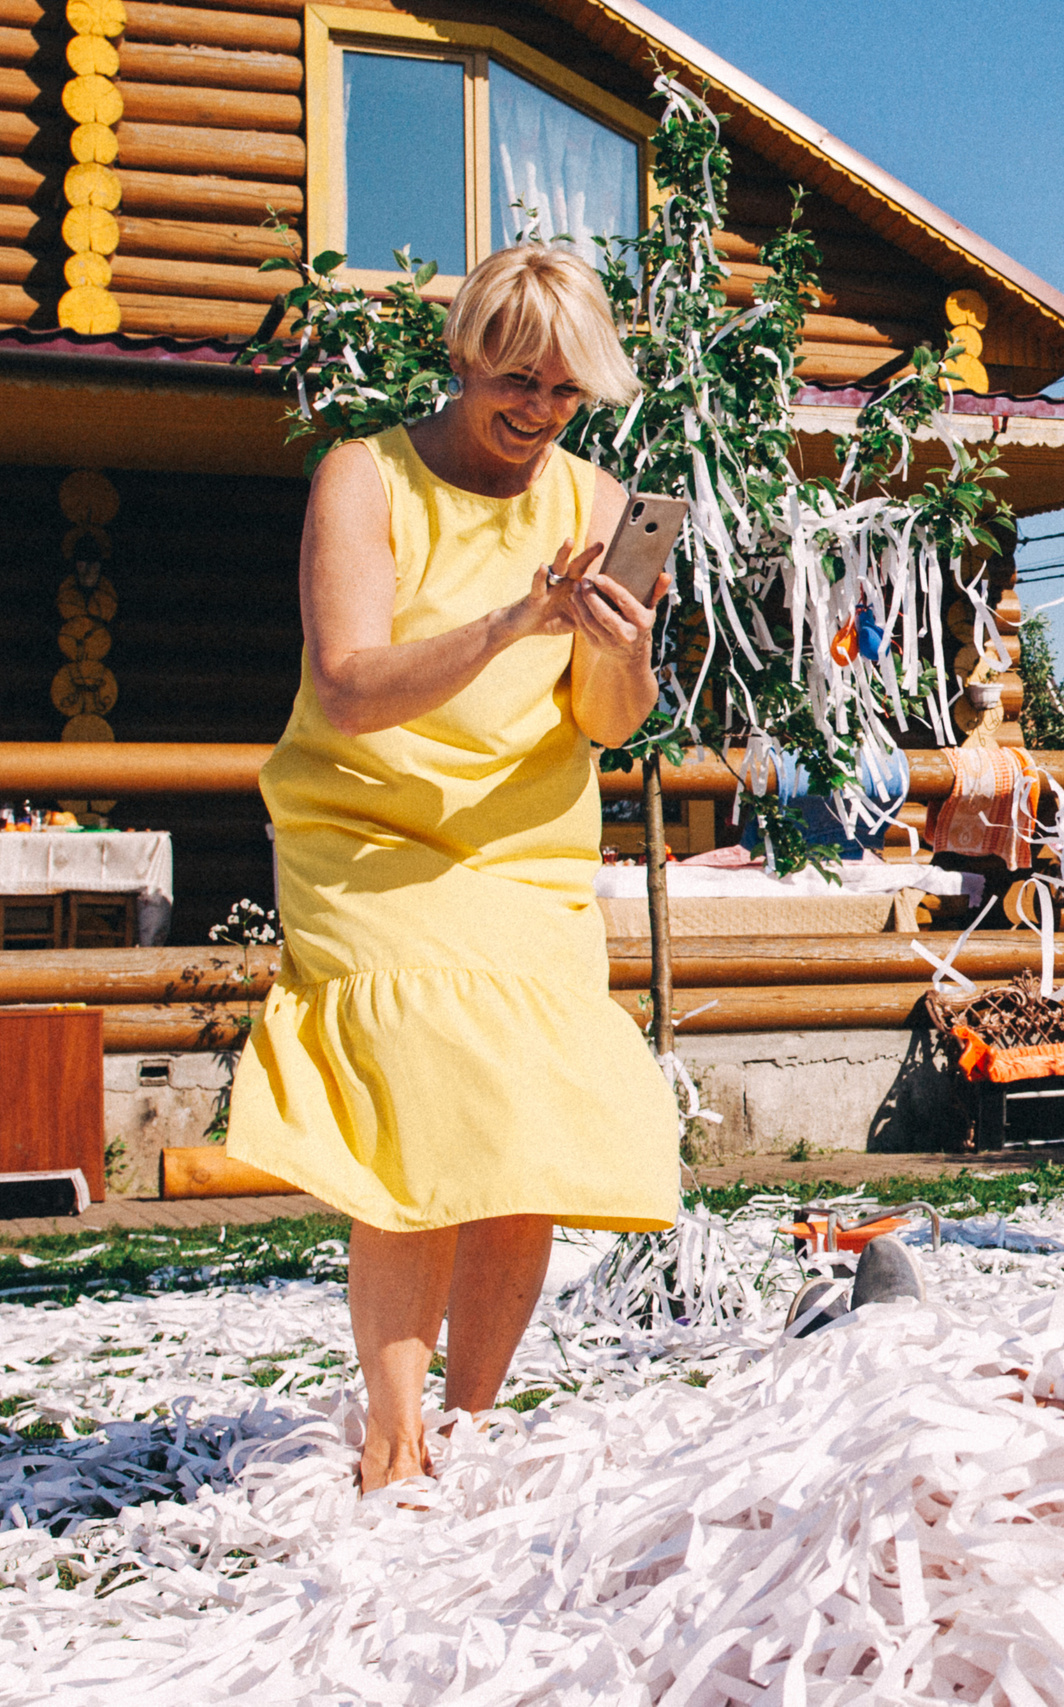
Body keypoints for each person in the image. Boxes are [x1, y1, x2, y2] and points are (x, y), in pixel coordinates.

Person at [223, 245, 680, 1496]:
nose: (540, 410)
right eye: (517, 381)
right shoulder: (364, 476)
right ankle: (392, 1440)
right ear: (464, 356)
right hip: (370, 838)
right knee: (423, 1098)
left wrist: (625, 654)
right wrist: (511, 622)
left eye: (566, 390)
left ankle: (467, 1426)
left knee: (527, 1120)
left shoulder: (597, 502)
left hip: (523, 850)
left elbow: (604, 722)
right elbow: (346, 689)